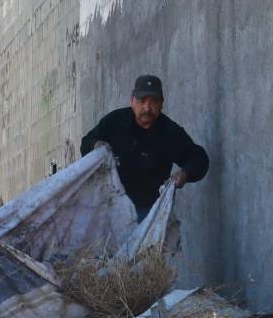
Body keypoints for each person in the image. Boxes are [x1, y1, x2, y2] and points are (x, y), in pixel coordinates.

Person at [80, 75, 209, 221]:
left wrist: (185, 174)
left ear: (162, 104)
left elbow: (199, 158)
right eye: (142, 101)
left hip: (149, 214)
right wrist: (96, 145)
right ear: (132, 101)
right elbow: (86, 143)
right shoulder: (115, 122)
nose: (147, 108)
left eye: (154, 102)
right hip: (109, 206)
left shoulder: (170, 132)